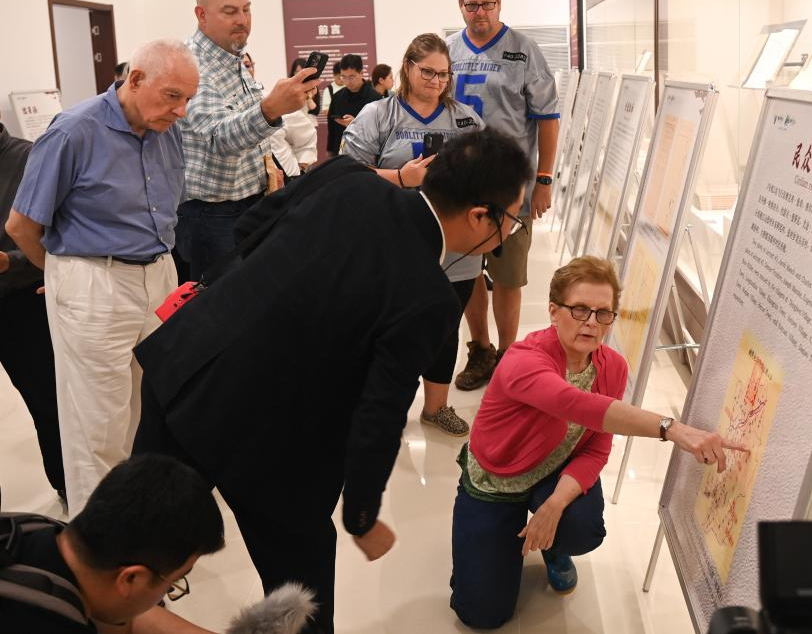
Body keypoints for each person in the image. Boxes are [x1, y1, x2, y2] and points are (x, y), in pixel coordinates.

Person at [131, 128, 532, 634]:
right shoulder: (428, 298)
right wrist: (362, 516)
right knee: (301, 593)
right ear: (479, 216)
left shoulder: (346, 177)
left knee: (136, 542)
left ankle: (111, 616)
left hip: (188, 362)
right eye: (511, 220)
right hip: (273, 445)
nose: (509, 233)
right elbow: (379, 414)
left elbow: (250, 227)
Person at [449, 256, 747, 628]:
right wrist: (672, 429)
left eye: (603, 313)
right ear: (554, 312)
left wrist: (556, 503)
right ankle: (497, 537)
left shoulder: (612, 367)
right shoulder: (523, 360)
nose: (591, 322)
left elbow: (596, 448)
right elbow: (576, 404)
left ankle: (554, 546)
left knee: (582, 527)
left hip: (552, 471)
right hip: (498, 479)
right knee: (482, 614)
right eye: (579, 309)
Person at [5, 39, 199, 517]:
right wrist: (62, 274)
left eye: (188, 99)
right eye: (172, 96)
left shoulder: (167, 129)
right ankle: (100, 544)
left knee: (148, 408)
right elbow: (22, 226)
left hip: (157, 275)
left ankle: (134, 520)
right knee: (97, 427)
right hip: (95, 279)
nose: (181, 110)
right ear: (135, 79)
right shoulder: (73, 131)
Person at [341, 33, 485, 436]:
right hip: (393, 242)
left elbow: (489, 172)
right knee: (387, 328)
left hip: (455, 247)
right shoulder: (378, 115)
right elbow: (345, 173)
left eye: (444, 74)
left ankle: (436, 408)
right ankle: (378, 408)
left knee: (445, 327)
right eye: (428, 72)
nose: (437, 81)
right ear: (408, 67)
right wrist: (401, 177)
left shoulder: (466, 120)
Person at [447, 0, 561, 392]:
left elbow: (548, 118)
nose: (480, 12)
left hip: (512, 187)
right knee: (467, 272)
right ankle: (480, 349)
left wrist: (544, 179)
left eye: (487, 4)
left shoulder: (524, 50)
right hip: (461, 186)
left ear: (499, 3)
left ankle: (510, 356)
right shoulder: (447, 50)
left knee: (509, 275)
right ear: (460, 6)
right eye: (472, 5)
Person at [173, 0, 320, 281]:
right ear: (201, 15)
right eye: (230, 11)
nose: (242, 20)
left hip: (250, 205)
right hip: (212, 215)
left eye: (246, 9)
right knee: (220, 304)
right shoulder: (191, 65)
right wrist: (271, 108)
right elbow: (219, 137)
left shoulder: (232, 59)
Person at [0, 454, 225, 633]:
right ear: (131, 578)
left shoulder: (38, 529)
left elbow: (125, 618)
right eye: (173, 584)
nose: (167, 592)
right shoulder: (49, 622)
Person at [0, 113, 65, 500]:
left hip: (21, 301)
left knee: (48, 401)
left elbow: (61, 236)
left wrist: (12, 262)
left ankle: (69, 485)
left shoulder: (28, 158)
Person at [272, 57, 319, 180]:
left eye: (301, 71)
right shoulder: (287, 89)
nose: (299, 74)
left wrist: (308, 97)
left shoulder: (311, 88)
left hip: (306, 124)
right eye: (296, 71)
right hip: (290, 132)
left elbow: (315, 109)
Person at [325, 53, 381, 156]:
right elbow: (332, 128)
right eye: (343, 77)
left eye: (352, 77)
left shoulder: (375, 98)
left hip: (367, 154)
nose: (348, 81)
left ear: (361, 73)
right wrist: (330, 152)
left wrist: (355, 124)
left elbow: (381, 130)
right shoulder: (337, 97)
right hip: (341, 154)